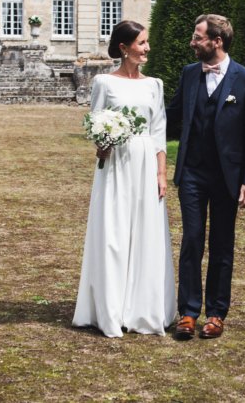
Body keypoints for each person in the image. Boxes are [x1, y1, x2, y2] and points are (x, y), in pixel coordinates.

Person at [73, 20, 176, 337]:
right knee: (113, 233)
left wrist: (161, 174)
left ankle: (143, 308)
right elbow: (95, 122)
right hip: (116, 165)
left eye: (147, 42)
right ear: (123, 48)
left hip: (145, 162)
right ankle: (110, 307)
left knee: (145, 232)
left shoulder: (154, 85)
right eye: (142, 43)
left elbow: (158, 131)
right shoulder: (104, 83)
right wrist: (102, 143)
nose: (147, 48)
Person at [167, 14, 245, 340]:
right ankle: (189, 312)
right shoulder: (190, 74)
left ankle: (217, 313)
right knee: (192, 241)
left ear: (216, 42)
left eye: (198, 37)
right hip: (192, 173)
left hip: (228, 177)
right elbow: (169, 116)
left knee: (222, 244)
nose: (192, 43)